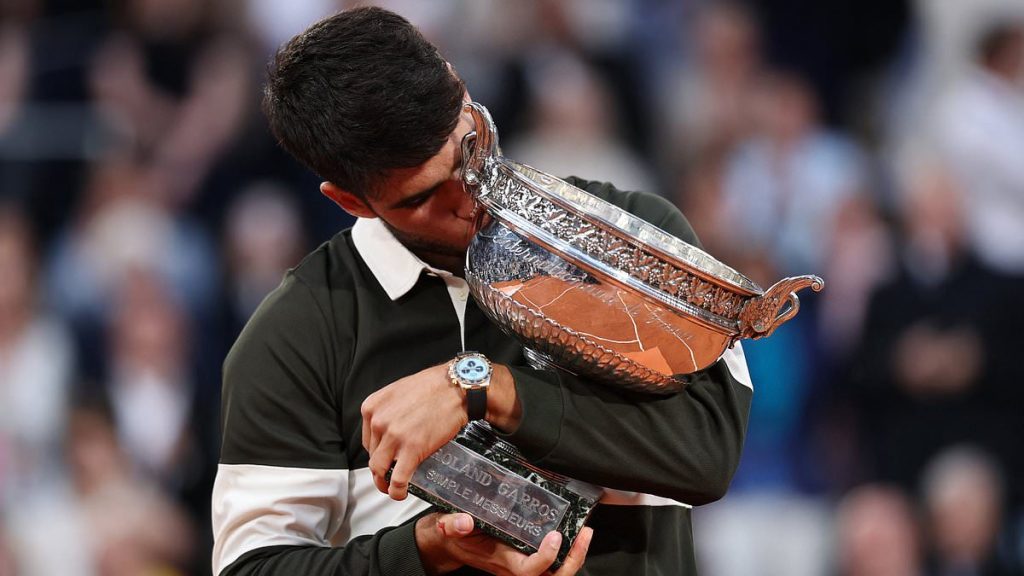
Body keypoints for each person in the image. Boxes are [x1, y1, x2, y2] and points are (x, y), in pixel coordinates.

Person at [211, 7, 752, 576]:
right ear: (349, 201)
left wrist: (486, 388)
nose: (469, 197)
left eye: (468, 148)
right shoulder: (298, 331)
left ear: (463, 90)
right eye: (423, 198)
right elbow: (254, 568)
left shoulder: (637, 234)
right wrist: (422, 550)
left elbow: (707, 455)